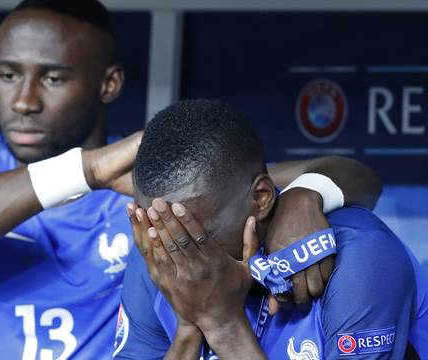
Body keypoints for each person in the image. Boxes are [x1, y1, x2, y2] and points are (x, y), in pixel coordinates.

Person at [0, 1, 382, 359]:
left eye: (52, 78)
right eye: (7, 75)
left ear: (108, 84)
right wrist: (86, 170)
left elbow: (360, 179)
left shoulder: (154, 179)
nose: (24, 100)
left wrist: (308, 193)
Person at [118, 99, 428, 359]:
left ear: (262, 198)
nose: (181, 262)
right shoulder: (159, 254)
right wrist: (189, 327)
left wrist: (223, 325)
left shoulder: (360, 259)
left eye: (198, 238)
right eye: (165, 236)